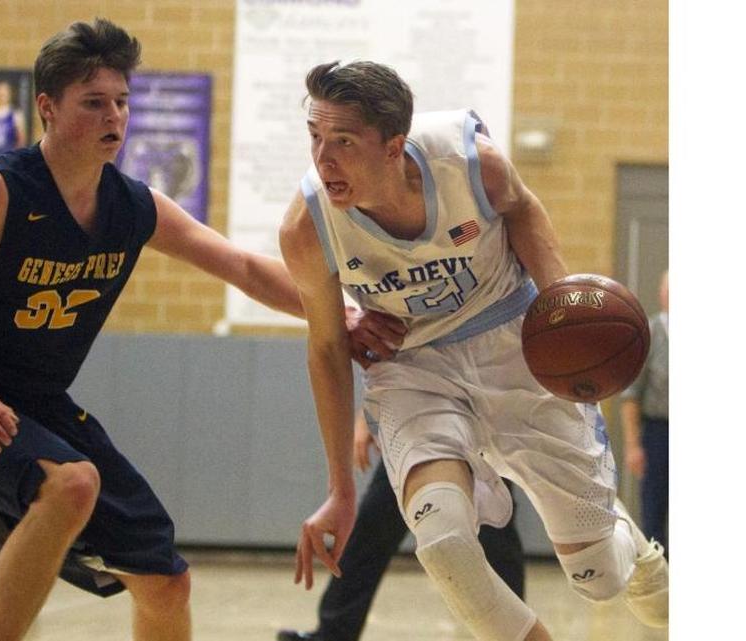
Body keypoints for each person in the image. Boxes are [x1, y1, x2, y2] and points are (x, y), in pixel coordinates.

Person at [0, 20, 375, 641]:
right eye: (94, 102)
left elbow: (241, 267)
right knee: (71, 483)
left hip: (38, 406)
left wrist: (341, 314)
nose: (115, 115)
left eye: (122, 101)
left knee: (165, 581)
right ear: (47, 108)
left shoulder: (132, 206)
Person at [278, 60, 669, 641]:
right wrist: (339, 488)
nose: (323, 159)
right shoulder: (307, 226)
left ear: (393, 147)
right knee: (444, 544)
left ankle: (628, 545)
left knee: (598, 580)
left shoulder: (468, 163)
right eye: (314, 137)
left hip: (512, 342)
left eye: (342, 141)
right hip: (415, 366)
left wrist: (565, 318)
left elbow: (524, 209)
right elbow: (327, 348)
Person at [277, 410, 525, 641]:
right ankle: (333, 633)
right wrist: (370, 416)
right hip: (418, 427)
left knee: (495, 536)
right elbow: (394, 368)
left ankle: (513, 634)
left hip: (480, 422)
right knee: (372, 525)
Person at [620, 270, 670, 558]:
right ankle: (660, 576)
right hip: (658, 432)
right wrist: (633, 445)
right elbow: (631, 395)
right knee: (654, 507)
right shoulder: (650, 334)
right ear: (662, 294)